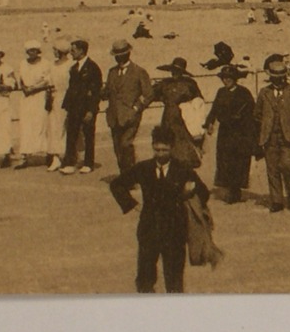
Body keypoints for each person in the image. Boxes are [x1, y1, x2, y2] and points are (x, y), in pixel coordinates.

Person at [109, 129, 209, 294]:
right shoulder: (144, 168)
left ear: (172, 148)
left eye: (165, 150)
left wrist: (190, 190)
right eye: (157, 150)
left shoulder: (182, 169)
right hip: (149, 229)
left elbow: (204, 193)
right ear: (152, 147)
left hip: (175, 231)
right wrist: (132, 204)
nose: (161, 154)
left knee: (174, 279)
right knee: (145, 278)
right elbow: (117, 185)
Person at [255, 52, 290, 212]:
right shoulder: (264, 93)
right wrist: (266, 127)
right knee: (272, 169)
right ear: (270, 77)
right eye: (274, 77)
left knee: (286, 165)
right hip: (270, 138)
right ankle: (277, 201)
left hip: (289, 138)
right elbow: (257, 114)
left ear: (285, 77)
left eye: (280, 77)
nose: (278, 81)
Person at [204, 64, 257, 204]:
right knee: (224, 159)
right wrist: (210, 122)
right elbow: (214, 109)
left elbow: (252, 112)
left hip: (240, 132)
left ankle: (235, 190)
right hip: (225, 132)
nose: (226, 81)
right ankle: (228, 188)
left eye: (229, 78)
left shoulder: (244, 93)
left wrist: (242, 120)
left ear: (235, 79)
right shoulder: (221, 92)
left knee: (238, 160)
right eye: (224, 78)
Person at [103, 39, 152, 174]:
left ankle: (130, 175)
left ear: (128, 54)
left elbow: (148, 94)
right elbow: (107, 92)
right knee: (118, 148)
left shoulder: (139, 71)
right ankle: (124, 173)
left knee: (126, 144)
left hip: (130, 117)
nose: (118, 58)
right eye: (116, 56)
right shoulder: (112, 72)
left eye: (121, 55)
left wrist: (136, 108)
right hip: (114, 116)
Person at [151, 57, 205, 171]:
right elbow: (151, 94)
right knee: (168, 141)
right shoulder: (165, 84)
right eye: (173, 71)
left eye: (177, 71)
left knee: (183, 142)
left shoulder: (189, 84)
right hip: (168, 116)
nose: (175, 74)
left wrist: (192, 112)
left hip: (184, 118)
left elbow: (199, 101)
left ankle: (183, 169)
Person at [60, 39, 102, 174]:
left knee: (88, 136)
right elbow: (71, 89)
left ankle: (88, 163)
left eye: (73, 50)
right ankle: (69, 163)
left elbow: (95, 91)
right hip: (73, 108)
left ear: (81, 51)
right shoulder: (73, 68)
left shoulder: (93, 68)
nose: (71, 53)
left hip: (86, 108)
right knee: (71, 135)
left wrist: (91, 110)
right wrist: (67, 106)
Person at [13, 40, 52, 169]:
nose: (32, 53)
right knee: (26, 125)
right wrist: (24, 88)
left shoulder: (46, 63)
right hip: (27, 98)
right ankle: (25, 156)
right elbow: (21, 79)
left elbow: (48, 80)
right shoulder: (23, 63)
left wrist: (34, 88)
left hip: (40, 97)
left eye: (34, 50)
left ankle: (49, 154)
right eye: (30, 51)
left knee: (42, 124)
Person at [45, 39, 72, 170]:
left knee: (67, 127)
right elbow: (48, 81)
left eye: (55, 50)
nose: (54, 52)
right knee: (54, 127)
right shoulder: (52, 65)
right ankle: (56, 157)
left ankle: (68, 156)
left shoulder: (71, 65)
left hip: (68, 98)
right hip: (55, 98)